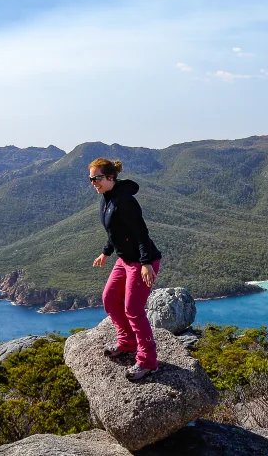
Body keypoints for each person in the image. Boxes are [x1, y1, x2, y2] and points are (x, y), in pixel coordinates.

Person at [89, 158, 163, 381]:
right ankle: (127, 342)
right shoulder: (106, 198)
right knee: (110, 298)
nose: (93, 183)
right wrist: (106, 252)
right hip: (124, 260)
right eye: (91, 179)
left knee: (133, 309)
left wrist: (146, 263)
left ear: (110, 177)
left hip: (141, 262)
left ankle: (148, 362)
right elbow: (115, 232)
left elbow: (141, 233)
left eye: (97, 178)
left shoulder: (124, 200)